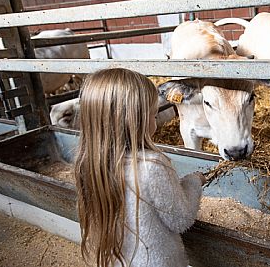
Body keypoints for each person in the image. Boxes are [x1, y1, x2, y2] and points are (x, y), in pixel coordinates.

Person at [75, 68, 206, 267]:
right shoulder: (152, 166)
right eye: (154, 116)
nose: (156, 122)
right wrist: (194, 181)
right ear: (135, 120)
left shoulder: (90, 164)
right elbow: (180, 219)